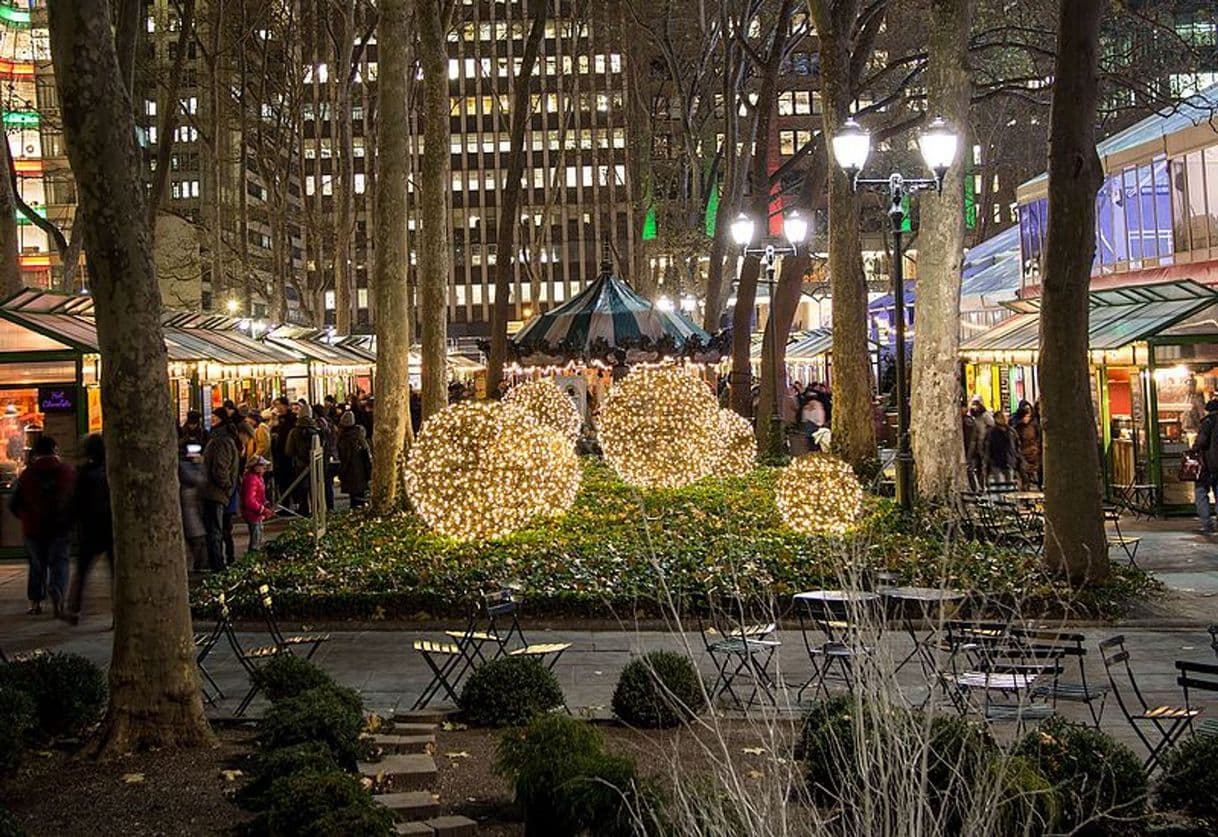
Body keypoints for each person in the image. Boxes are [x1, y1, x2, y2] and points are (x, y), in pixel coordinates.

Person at [9, 436, 75, 616]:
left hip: (33, 528)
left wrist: (25, 516)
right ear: (55, 449)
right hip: (60, 528)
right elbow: (76, 499)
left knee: (37, 565)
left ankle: (35, 602)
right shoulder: (66, 471)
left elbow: (13, 503)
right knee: (59, 562)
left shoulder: (27, 474)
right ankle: (58, 593)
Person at [65, 434, 112, 624]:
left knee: (82, 571)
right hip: (110, 528)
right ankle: (119, 612)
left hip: (90, 529)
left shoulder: (84, 473)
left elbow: (76, 503)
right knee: (116, 573)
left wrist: (69, 524)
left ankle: (74, 609)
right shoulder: (112, 471)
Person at [201, 416, 246, 571]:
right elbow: (220, 469)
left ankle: (217, 561)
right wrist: (227, 486)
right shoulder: (225, 443)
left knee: (217, 529)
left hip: (216, 492)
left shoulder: (219, 440)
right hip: (217, 492)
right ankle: (217, 564)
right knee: (216, 530)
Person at [1188, 398, 1218, 534]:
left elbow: (1201, 442)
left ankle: (1207, 524)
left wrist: (1193, 450)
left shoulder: (1208, 422)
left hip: (1208, 465)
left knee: (1201, 493)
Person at [286, 406, 320, 512]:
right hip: (315, 463)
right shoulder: (317, 430)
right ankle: (316, 509)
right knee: (314, 487)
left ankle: (303, 508)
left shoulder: (294, 431)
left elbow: (289, 451)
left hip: (300, 464)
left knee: (302, 488)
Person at [179, 447, 207, 571]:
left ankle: (197, 566)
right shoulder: (186, 470)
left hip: (193, 514)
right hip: (191, 515)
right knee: (198, 541)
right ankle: (198, 568)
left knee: (197, 542)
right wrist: (200, 465)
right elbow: (198, 479)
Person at [337, 410, 372, 508]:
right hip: (361, 471)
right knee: (359, 496)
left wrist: (341, 471)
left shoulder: (346, 438)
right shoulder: (359, 435)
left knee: (354, 497)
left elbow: (345, 457)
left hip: (352, 471)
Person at [241, 457, 276, 553]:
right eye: (262, 465)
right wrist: (262, 509)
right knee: (256, 538)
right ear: (255, 467)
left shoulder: (259, 478)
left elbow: (260, 496)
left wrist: (266, 503)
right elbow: (249, 500)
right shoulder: (251, 479)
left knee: (258, 534)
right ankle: (252, 557)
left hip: (257, 513)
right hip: (252, 514)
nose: (265, 468)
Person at [983, 411, 1021, 486]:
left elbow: (1016, 446)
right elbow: (987, 448)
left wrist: (1016, 458)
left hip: (1008, 461)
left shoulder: (1011, 431)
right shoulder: (991, 432)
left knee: (1008, 484)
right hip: (997, 462)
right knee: (1000, 484)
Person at [965, 395, 995, 489]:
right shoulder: (974, 418)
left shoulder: (985, 416)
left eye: (976, 404)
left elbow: (992, 426)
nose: (975, 407)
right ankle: (981, 487)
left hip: (985, 446)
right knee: (977, 468)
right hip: (977, 447)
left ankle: (986, 486)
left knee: (985, 467)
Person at [1013, 401, 1042, 489]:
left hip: (1034, 454)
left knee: (1037, 477)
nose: (1027, 418)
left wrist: (1037, 449)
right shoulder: (1017, 428)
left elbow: (1038, 438)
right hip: (1024, 455)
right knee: (1025, 479)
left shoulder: (1034, 425)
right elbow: (1017, 443)